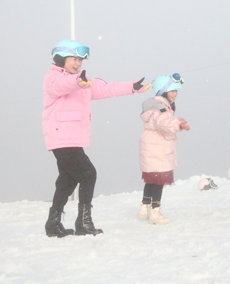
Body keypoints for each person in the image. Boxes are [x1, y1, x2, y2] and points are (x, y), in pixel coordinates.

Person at [43, 39, 150, 237]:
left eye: (80, 60)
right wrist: (77, 81)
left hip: (72, 138)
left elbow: (104, 88)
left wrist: (131, 87)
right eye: (74, 59)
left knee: (67, 180)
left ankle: (53, 223)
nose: (77, 64)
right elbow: (61, 85)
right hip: (62, 137)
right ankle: (83, 223)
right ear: (60, 59)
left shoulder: (81, 80)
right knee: (87, 173)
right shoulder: (53, 78)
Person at [137, 73, 190, 225]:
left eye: (176, 91)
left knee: (152, 179)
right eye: (172, 91)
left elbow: (163, 122)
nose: (175, 94)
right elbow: (162, 123)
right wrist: (177, 125)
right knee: (159, 180)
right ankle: (155, 212)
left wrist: (175, 120)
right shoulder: (160, 108)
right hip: (157, 146)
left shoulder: (155, 106)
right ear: (163, 91)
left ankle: (144, 207)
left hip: (152, 144)